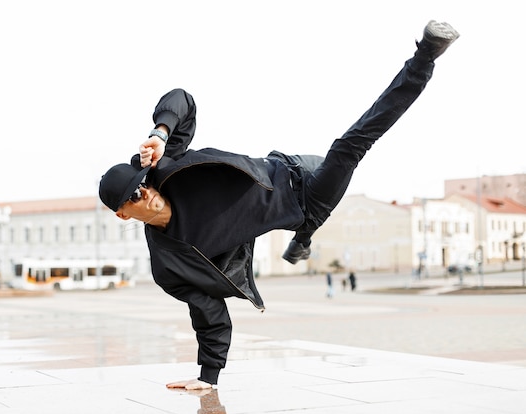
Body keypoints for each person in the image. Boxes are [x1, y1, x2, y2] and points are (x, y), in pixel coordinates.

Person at [99, 21, 459, 390]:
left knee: (339, 155)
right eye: (135, 196)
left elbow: (182, 99)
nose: (147, 193)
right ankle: (426, 55)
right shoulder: (169, 264)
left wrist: (160, 132)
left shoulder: (165, 169)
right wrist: (208, 377)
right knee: (351, 145)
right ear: (123, 213)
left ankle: (302, 241)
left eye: (141, 185)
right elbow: (209, 314)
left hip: (293, 164)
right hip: (309, 200)